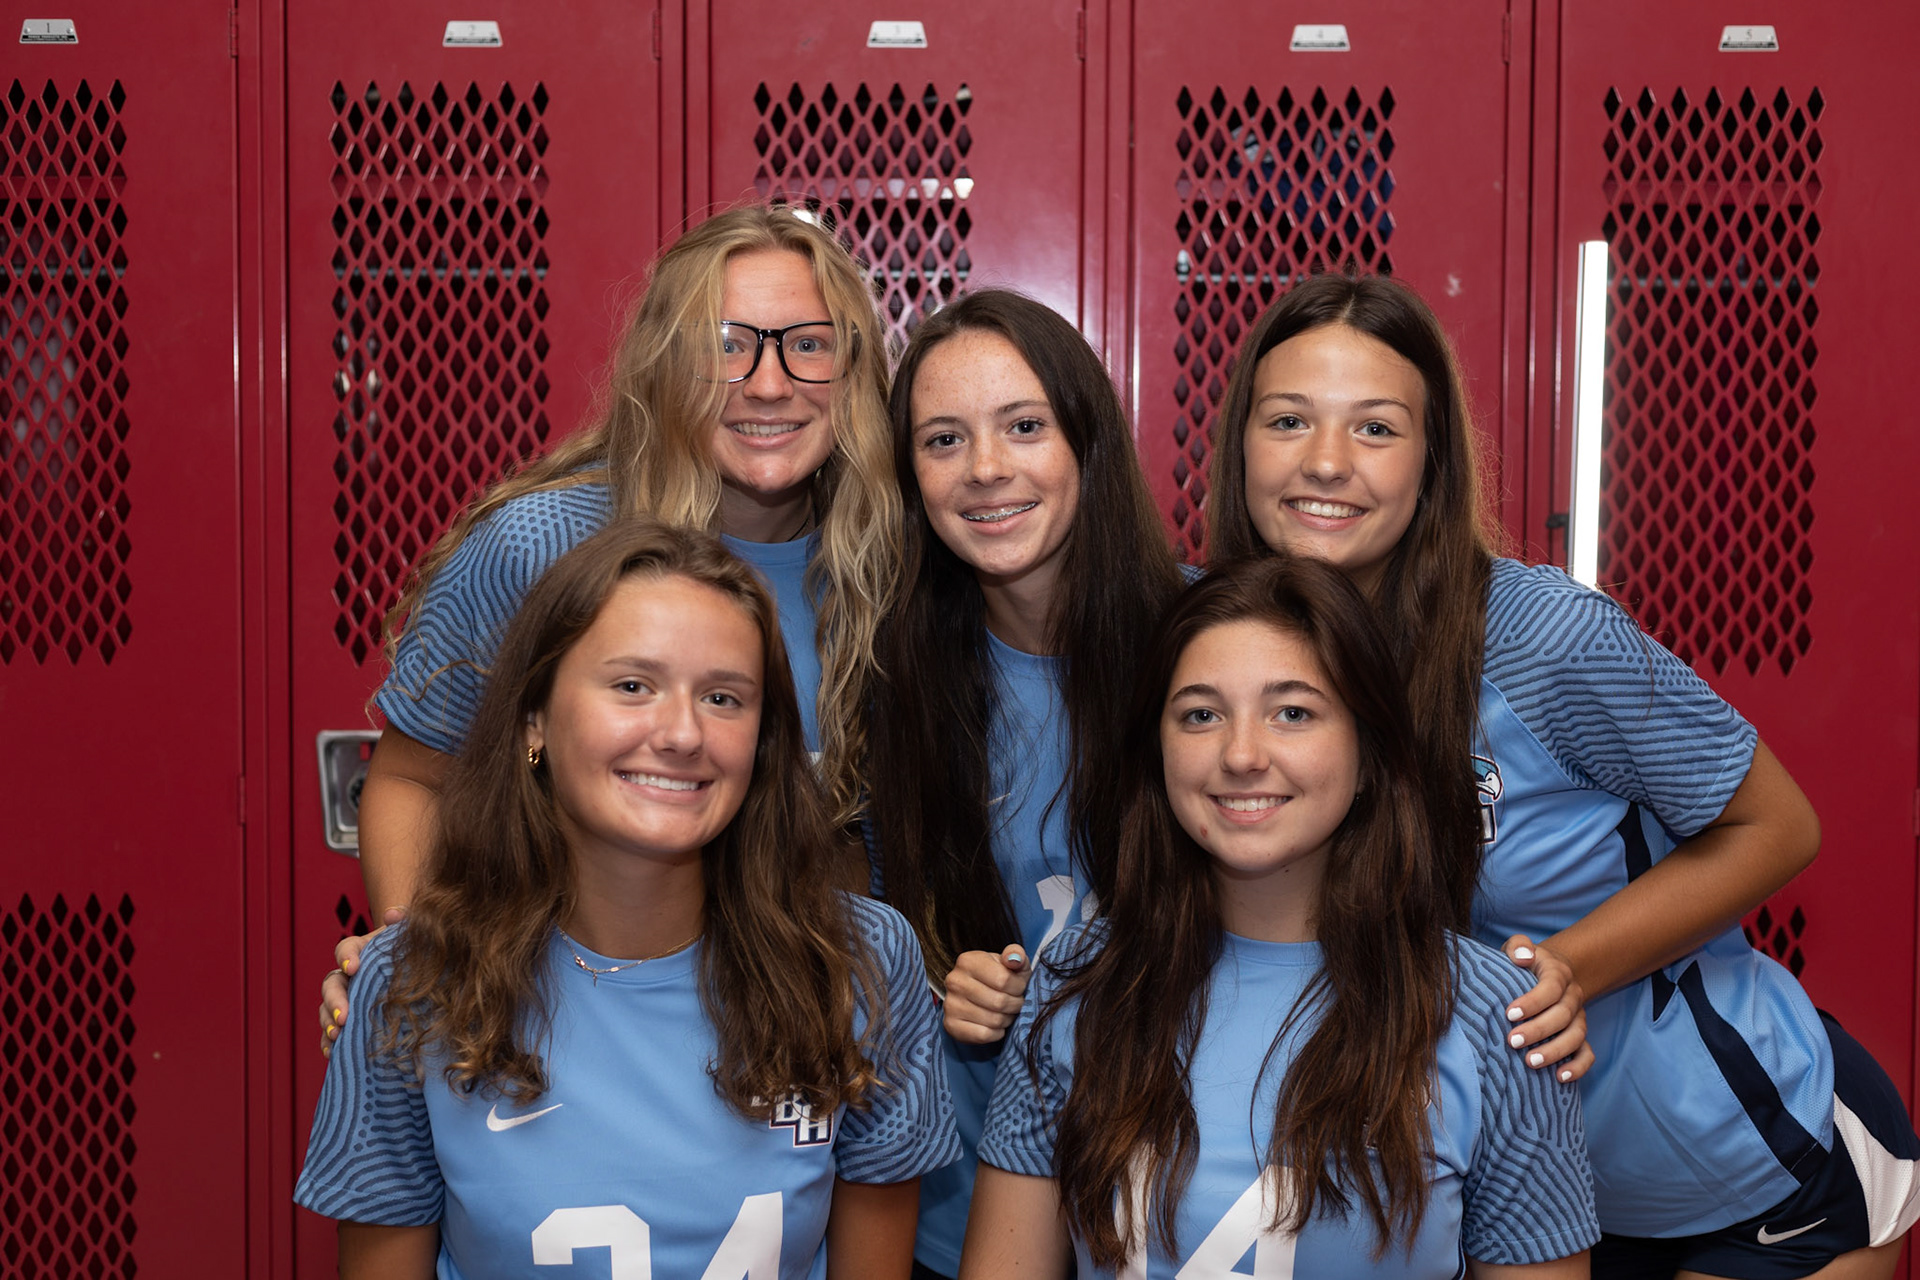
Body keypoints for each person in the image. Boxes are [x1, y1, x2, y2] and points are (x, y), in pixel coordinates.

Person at [1205, 271, 1920, 1278]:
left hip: (1738, 1170)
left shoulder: (1541, 636)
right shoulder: (1218, 652)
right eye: (1288, 420)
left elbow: (1779, 826)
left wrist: (1565, 972)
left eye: (1374, 428)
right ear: (1240, 443)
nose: (1326, 462)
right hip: (1493, 1202)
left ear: (1432, 461)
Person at [296, 519, 959, 1278]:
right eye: (632, 686)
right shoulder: (407, 986)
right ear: (533, 720)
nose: (681, 733)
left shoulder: (860, 965)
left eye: (723, 697)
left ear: (764, 742)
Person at [322, 202, 899, 1044]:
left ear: (852, 374)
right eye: (725, 346)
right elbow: (413, 780)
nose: (767, 384)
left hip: (798, 1051)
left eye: (807, 344)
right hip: (562, 1030)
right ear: (668, 364)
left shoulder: (894, 572)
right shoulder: (543, 547)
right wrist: (415, 961)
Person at [964, 556, 1598, 1278]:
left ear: (1369, 752)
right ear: (1158, 751)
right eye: (1201, 715)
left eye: (1292, 712)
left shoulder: (1498, 1016)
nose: (1241, 755)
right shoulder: (1076, 982)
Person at [863, 289, 1188, 1277]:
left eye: (1024, 425)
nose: (988, 469)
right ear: (910, 474)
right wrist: (933, 980)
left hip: (1181, 1200)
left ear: (1083, 438)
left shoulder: (1211, 646)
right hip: (966, 1215)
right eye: (944, 439)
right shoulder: (890, 676)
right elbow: (862, 934)